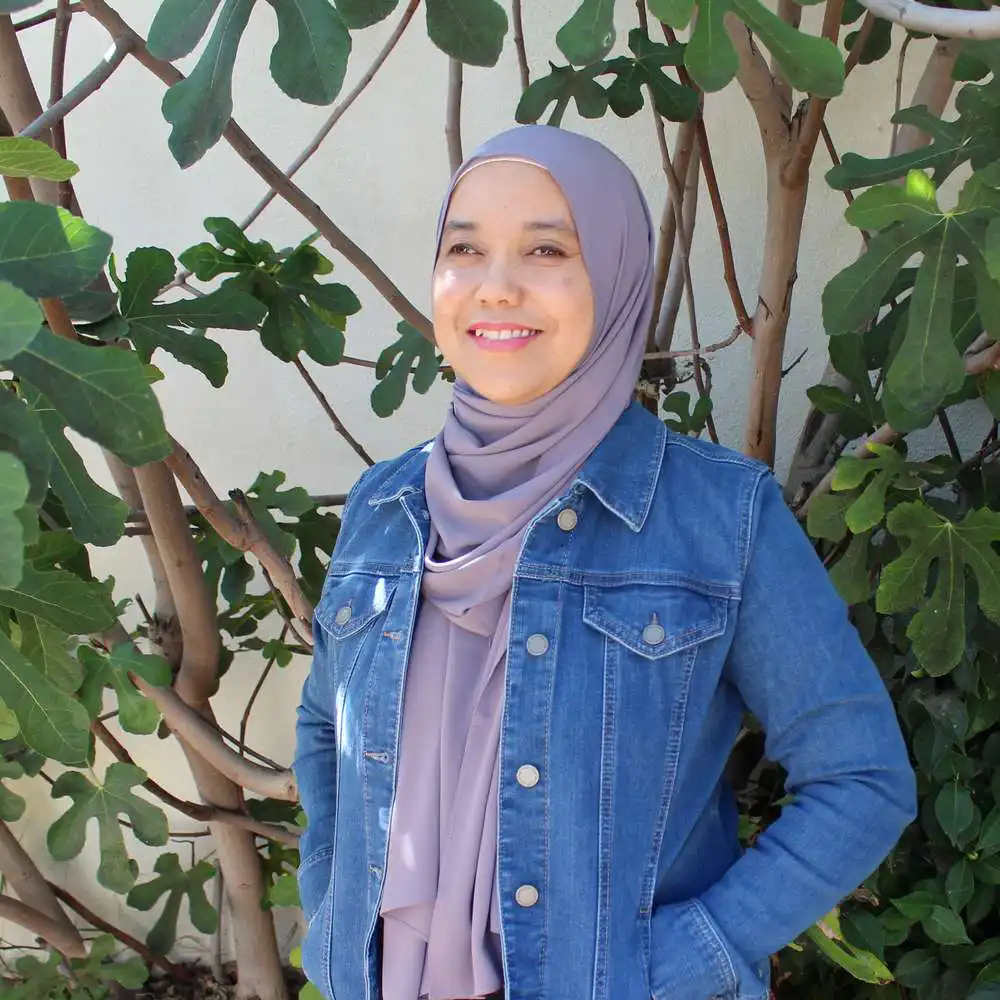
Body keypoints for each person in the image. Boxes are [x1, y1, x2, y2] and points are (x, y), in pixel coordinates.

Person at [293, 125, 916, 1000]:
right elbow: (326, 727)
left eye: (546, 249)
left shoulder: (718, 516)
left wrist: (680, 962)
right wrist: (330, 910)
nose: (495, 285)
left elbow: (861, 777)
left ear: (618, 277)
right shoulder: (383, 507)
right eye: (464, 248)